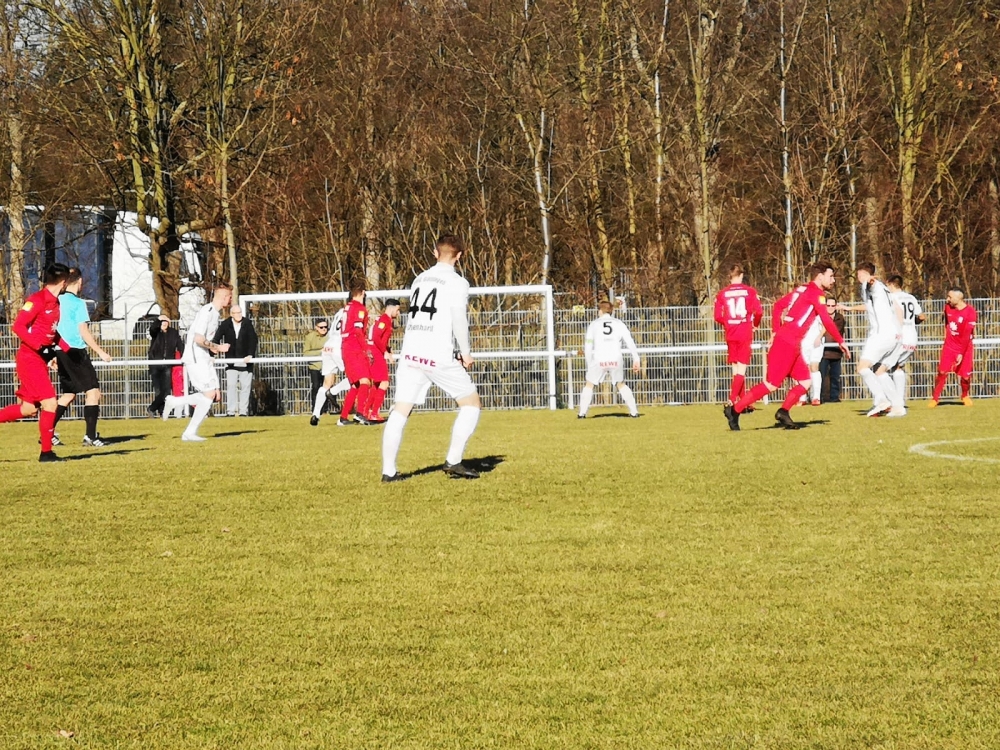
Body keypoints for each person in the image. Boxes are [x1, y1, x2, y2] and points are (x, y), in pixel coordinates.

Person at [381, 234, 481, 481]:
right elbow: (458, 319)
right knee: (471, 404)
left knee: (400, 410)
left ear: (435, 253)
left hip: (410, 352)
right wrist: (465, 353)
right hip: (436, 353)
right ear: (459, 256)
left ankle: (388, 472)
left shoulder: (419, 279)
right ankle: (453, 461)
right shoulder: (457, 282)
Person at [724, 261, 850, 431]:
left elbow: (778, 306)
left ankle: (783, 412)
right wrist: (840, 341)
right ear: (820, 277)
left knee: (805, 381)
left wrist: (775, 331)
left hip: (790, 342)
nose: (833, 280)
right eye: (831, 276)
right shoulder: (817, 294)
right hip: (787, 343)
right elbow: (826, 319)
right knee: (771, 384)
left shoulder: (802, 289)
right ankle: (735, 410)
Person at [0, 263, 72, 461]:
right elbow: (18, 327)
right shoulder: (37, 300)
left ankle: (47, 452)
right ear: (63, 282)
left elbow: (51, 332)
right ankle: (46, 453)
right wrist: (41, 348)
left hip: (39, 360)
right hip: (29, 359)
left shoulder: (55, 303)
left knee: (29, 409)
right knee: (50, 403)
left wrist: (68, 349)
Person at [163, 283, 233, 441]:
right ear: (224, 297)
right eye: (229, 297)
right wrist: (218, 347)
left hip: (203, 357)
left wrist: (212, 350)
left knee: (213, 395)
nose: (230, 300)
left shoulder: (214, 313)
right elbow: (198, 338)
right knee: (209, 394)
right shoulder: (207, 311)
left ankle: (175, 401)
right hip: (195, 357)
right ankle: (189, 433)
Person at [52, 267, 113, 446]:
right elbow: (83, 331)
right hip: (75, 351)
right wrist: (100, 351)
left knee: (68, 394)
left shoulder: (57, 300)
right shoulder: (78, 303)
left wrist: (52, 353)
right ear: (79, 282)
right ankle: (90, 436)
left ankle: (47, 432)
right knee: (93, 391)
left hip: (60, 350)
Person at [838, 262, 904, 417]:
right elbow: (873, 306)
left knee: (862, 367)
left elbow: (871, 284)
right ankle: (898, 407)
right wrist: (850, 308)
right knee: (880, 371)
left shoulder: (873, 285)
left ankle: (881, 400)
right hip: (895, 335)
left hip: (881, 334)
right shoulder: (885, 290)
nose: (858, 277)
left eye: (860, 274)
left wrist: (870, 280)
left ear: (865, 273)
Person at [577, 300, 642, 418]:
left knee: (589, 384)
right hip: (616, 358)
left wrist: (589, 362)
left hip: (599, 359)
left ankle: (582, 413)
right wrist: (636, 358)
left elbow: (588, 345)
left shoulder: (594, 324)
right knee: (621, 384)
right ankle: (634, 412)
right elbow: (629, 341)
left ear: (600, 311)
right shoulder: (619, 323)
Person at [713, 263, 763, 405]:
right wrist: (755, 325)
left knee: (735, 368)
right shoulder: (750, 292)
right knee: (741, 368)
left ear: (729, 277)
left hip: (730, 333)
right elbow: (759, 312)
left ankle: (742, 402)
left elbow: (717, 316)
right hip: (744, 331)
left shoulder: (722, 294)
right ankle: (732, 398)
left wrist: (728, 323)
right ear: (741, 275)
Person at [929, 287, 976, 407]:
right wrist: (947, 337)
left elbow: (967, 334)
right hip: (950, 346)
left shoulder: (970, 311)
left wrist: (961, 352)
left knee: (965, 376)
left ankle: (965, 395)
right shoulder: (947, 307)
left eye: (950, 297)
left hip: (965, 348)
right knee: (942, 371)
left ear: (958, 297)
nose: (947, 299)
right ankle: (935, 398)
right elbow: (947, 323)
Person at [337, 283, 374, 426]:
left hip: (345, 347)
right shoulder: (359, 308)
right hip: (354, 347)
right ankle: (360, 414)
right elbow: (358, 331)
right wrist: (366, 349)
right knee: (365, 381)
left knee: (355, 385)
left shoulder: (347, 307)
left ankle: (343, 417)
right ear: (362, 293)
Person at [886, 275, 924, 409]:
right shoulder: (911, 297)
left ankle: (887, 400)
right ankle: (899, 400)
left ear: (891, 284)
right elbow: (921, 316)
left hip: (899, 337)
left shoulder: (891, 297)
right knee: (898, 367)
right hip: (912, 337)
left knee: (880, 367)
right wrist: (912, 321)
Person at [212, 304, 258, 417]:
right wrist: (215, 351)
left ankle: (243, 411)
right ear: (231, 314)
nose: (238, 315)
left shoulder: (247, 323)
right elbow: (216, 339)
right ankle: (230, 411)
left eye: (240, 312)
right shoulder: (225, 324)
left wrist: (250, 355)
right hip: (231, 362)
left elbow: (253, 340)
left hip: (246, 362)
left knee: (245, 386)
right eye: (236, 313)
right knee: (231, 386)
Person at [309, 305, 351, 425]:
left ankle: (315, 414)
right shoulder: (355, 311)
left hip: (328, 346)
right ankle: (333, 392)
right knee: (356, 377)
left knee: (326, 383)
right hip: (339, 346)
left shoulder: (340, 312)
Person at [363, 298, 401, 422]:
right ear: (391, 308)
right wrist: (385, 352)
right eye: (398, 310)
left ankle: (366, 412)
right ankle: (374, 413)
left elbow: (380, 338)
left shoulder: (384, 320)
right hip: (376, 352)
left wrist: (388, 349)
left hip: (375, 351)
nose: (398, 313)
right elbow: (375, 337)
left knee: (377, 383)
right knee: (384, 383)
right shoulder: (384, 320)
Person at [148, 315, 184, 417]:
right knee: (158, 390)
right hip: (155, 364)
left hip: (167, 364)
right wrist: (158, 320)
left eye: (166, 321)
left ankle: (153, 408)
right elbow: (152, 329)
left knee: (166, 391)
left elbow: (180, 345)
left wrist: (184, 356)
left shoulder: (173, 333)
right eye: (162, 321)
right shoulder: (156, 332)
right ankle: (160, 411)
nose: (164, 323)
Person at [818, 297, 847, 403]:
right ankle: (820, 397)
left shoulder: (840, 318)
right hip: (823, 352)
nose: (830, 308)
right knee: (821, 376)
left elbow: (837, 331)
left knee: (835, 376)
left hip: (836, 351)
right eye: (828, 305)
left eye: (833, 305)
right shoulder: (820, 317)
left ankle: (834, 397)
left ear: (836, 306)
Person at [303, 318, 329, 414]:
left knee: (327, 388)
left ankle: (325, 410)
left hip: (327, 366)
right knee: (316, 387)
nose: (324, 329)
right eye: (321, 327)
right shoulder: (310, 337)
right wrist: (320, 351)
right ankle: (315, 409)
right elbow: (306, 353)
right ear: (316, 327)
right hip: (315, 366)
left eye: (326, 327)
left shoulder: (330, 336)